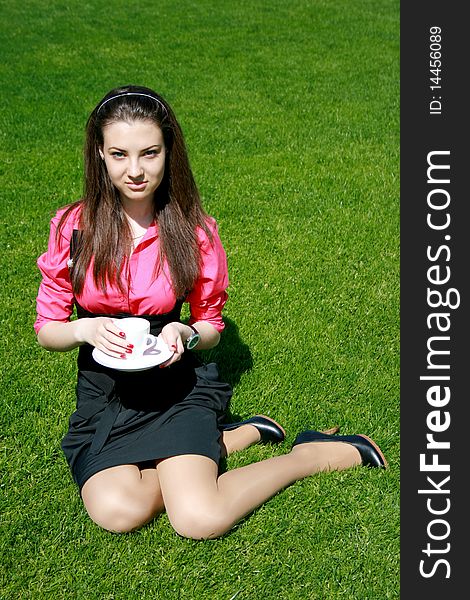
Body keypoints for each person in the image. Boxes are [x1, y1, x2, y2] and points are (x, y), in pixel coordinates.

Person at [35, 85, 387, 538]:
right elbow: (48, 331)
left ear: (168, 152)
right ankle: (230, 438)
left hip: (175, 386)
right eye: (120, 154)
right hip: (107, 396)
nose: (136, 170)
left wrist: (185, 334)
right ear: (100, 153)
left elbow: (211, 326)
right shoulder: (72, 227)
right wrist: (84, 328)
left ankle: (310, 455)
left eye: (150, 153)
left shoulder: (192, 229)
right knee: (118, 511)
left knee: (198, 519)